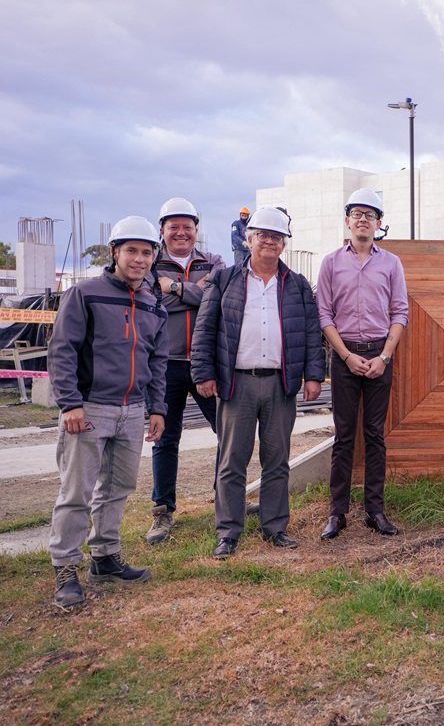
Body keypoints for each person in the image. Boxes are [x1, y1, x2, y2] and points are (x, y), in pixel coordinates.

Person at [48, 216, 168, 609]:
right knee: (76, 493)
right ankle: (66, 567)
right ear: (115, 252)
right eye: (131, 250)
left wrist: (157, 408)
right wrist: (70, 403)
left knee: (118, 489)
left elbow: (157, 361)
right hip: (90, 408)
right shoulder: (85, 294)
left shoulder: (153, 304)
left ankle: (104, 557)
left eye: (147, 252)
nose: (139, 259)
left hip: (132, 411)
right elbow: (62, 350)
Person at [191, 206, 325, 559]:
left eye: (277, 237)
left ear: (284, 244)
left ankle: (275, 527)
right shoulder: (225, 280)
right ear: (248, 240)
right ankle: (228, 532)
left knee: (277, 459)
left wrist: (313, 375)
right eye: (263, 235)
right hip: (237, 384)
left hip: (280, 384)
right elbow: (204, 329)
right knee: (232, 461)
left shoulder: (296, 285)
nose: (270, 241)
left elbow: (311, 333)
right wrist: (203, 373)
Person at [317, 189, 409, 540]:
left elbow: (400, 312)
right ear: (347, 220)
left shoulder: (391, 264)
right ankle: (337, 513)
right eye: (357, 213)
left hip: (379, 357)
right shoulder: (331, 263)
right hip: (345, 358)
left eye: (370, 215)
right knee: (343, 437)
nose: (363, 220)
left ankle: (375, 511)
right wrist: (345, 355)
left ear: (379, 223)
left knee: (374, 435)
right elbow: (324, 315)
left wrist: (384, 357)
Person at [146, 197, 226, 544]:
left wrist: (174, 287)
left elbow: (216, 300)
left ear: (196, 229)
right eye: (173, 227)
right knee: (165, 439)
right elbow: (153, 303)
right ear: (162, 230)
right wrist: (198, 291)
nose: (181, 233)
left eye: (187, 227)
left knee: (228, 432)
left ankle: (227, 499)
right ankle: (163, 510)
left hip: (206, 363)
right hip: (164, 365)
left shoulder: (215, 262)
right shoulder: (150, 263)